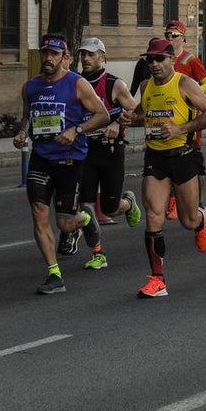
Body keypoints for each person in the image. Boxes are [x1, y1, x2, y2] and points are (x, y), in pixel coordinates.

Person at [12, 34, 110, 295]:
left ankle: (86, 218)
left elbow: (102, 115)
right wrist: (22, 132)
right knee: (38, 212)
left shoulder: (77, 84)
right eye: (45, 53)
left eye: (55, 54)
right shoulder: (30, 87)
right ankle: (54, 274)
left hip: (70, 160)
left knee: (65, 223)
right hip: (41, 158)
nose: (48, 58)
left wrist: (76, 130)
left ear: (65, 58)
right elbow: (27, 117)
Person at [134, 38, 206, 297]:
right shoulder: (146, 85)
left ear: (172, 59)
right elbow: (143, 112)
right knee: (153, 216)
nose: (155, 64)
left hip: (183, 156)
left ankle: (201, 220)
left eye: (160, 59)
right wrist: (130, 118)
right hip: (156, 158)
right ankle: (157, 279)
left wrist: (180, 129)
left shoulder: (184, 83)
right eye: (150, 60)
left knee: (187, 219)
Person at [63, 37, 143, 270]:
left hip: (110, 150)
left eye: (91, 54)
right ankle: (98, 253)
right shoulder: (75, 82)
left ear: (102, 57)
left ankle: (127, 203)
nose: (86, 59)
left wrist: (118, 122)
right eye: (83, 55)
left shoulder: (113, 84)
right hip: (84, 150)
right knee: (86, 204)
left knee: (109, 208)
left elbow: (133, 110)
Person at [164, 19, 206, 220]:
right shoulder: (162, 59)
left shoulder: (190, 60)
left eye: (174, 35)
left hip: (190, 120)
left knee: (194, 160)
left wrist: (190, 95)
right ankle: (173, 200)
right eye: (167, 35)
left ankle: (199, 204)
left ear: (183, 38)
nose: (170, 39)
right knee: (166, 158)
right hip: (167, 119)